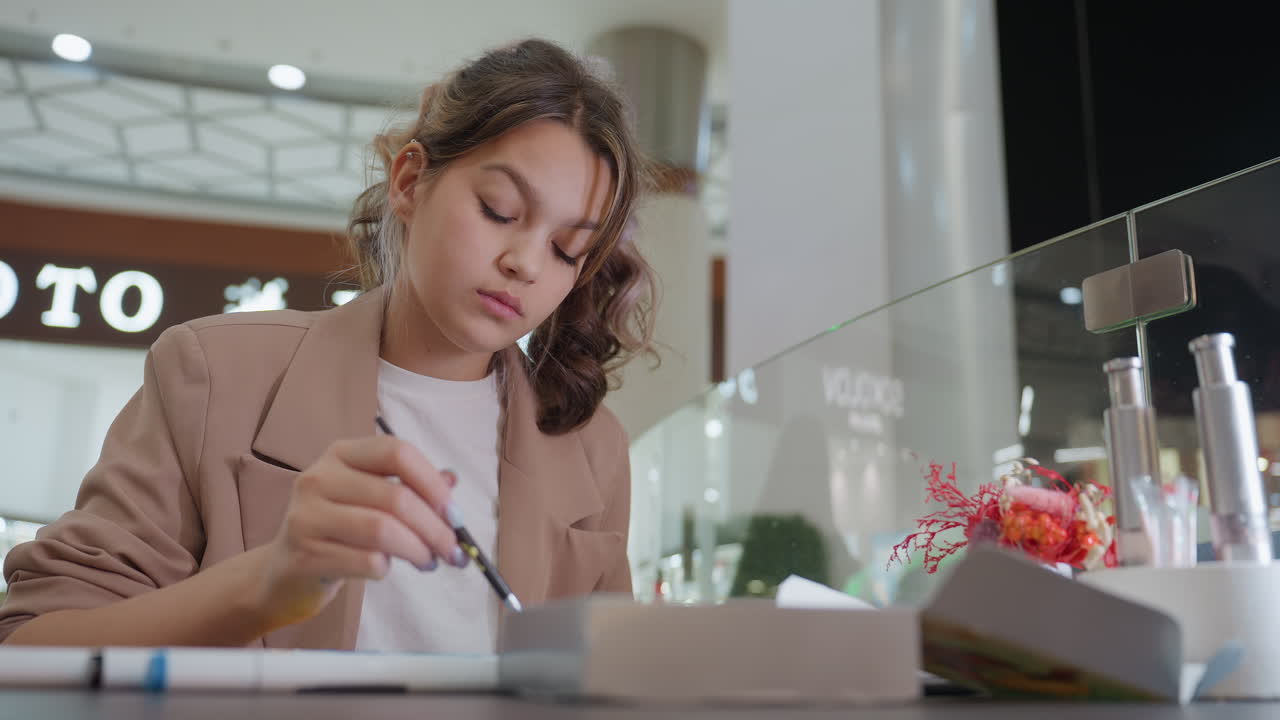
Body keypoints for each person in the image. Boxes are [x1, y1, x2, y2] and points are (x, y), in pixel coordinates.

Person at [0, 38, 656, 652]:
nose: (527, 263)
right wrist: (263, 587)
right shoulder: (212, 374)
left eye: (568, 248)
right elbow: (29, 644)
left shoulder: (593, 450)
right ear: (408, 182)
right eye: (498, 210)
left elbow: (607, 688)